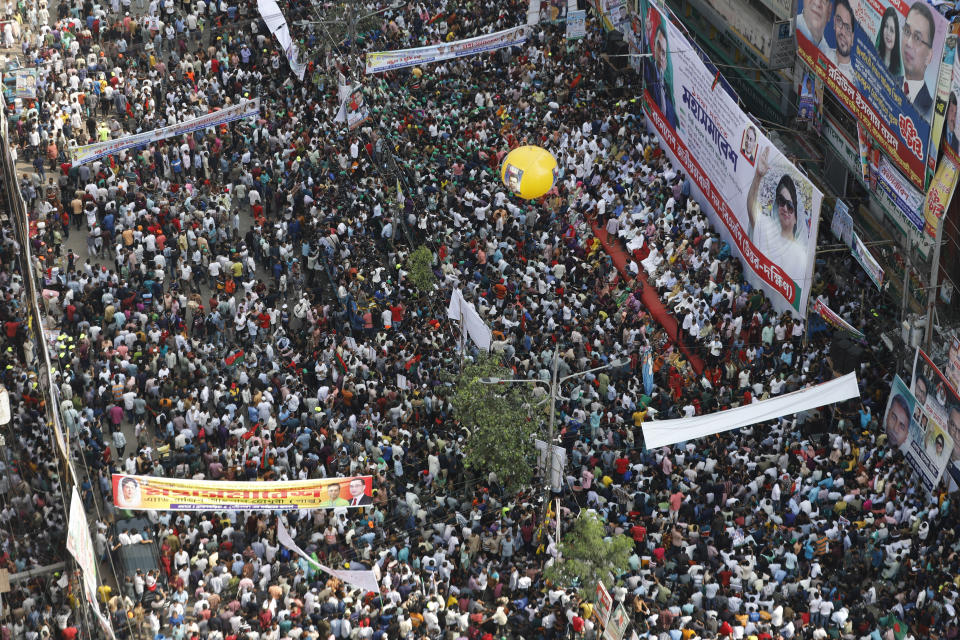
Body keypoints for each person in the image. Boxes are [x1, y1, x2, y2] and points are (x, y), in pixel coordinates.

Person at [745, 146, 806, 286]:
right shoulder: (769, 226)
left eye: (790, 206)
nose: (784, 208)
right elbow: (753, 215)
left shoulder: (796, 253)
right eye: (781, 202)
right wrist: (758, 176)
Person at [897, 0, 936, 120]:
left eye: (917, 38)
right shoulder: (891, 80)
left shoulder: (929, 109)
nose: (908, 43)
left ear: (929, 56)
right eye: (907, 31)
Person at [645, 19, 678, 129]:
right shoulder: (649, 69)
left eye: (664, 52)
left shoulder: (669, 89)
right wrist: (647, 33)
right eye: (658, 45)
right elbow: (644, 57)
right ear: (653, 44)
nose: (660, 54)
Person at [826, 0, 855, 80]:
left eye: (847, 28)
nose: (842, 32)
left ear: (852, 38)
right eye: (839, 21)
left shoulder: (853, 82)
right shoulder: (824, 53)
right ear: (834, 22)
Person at [875, 6, 902, 76]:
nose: (888, 33)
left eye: (892, 30)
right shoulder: (875, 54)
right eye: (886, 26)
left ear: (896, 36)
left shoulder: (898, 72)